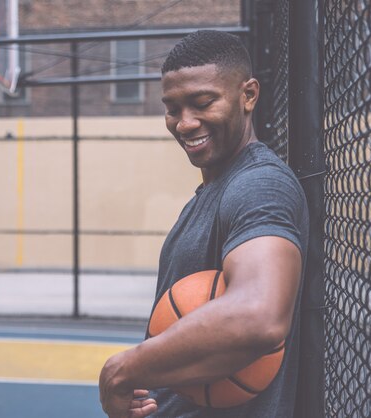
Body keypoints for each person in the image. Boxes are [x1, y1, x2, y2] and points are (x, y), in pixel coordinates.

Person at [99, 30, 309, 418]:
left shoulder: (260, 185)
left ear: (248, 95)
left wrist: (122, 370)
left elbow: (258, 316)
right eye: (172, 108)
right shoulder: (213, 191)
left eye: (202, 103)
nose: (184, 123)